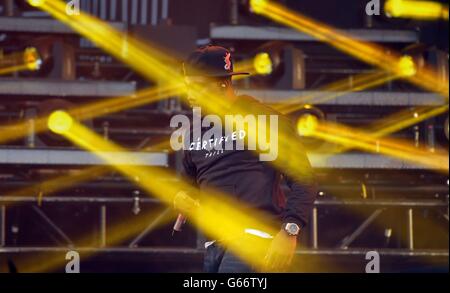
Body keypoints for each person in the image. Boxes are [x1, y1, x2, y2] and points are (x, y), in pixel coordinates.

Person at [174, 45, 316, 273]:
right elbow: (189, 182)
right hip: (214, 245)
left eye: (198, 87)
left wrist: (289, 231)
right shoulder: (194, 131)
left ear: (223, 84)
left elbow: (304, 178)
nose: (190, 95)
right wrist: (182, 198)